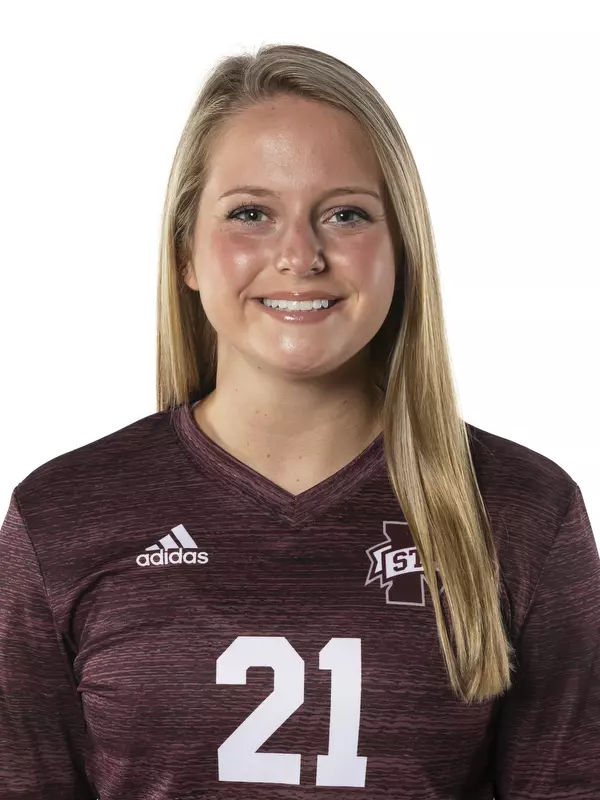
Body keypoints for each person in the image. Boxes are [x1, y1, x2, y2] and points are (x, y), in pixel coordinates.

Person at [0, 43, 598, 800]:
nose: (299, 255)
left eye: (346, 214)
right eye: (251, 213)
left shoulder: (524, 511)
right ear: (187, 250)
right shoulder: (62, 516)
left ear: (401, 249)